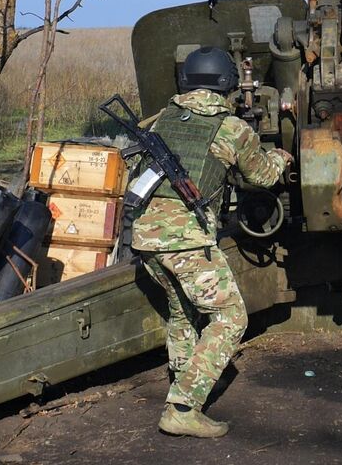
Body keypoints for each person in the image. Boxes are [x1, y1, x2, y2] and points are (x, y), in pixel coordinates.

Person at [130, 45, 291, 438]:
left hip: (145, 237)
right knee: (231, 318)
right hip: (185, 240)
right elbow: (261, 177)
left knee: (183, 312)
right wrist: (281, 158)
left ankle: (185, 382)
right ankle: (183, 406)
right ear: (228, 83)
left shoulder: (162, 118)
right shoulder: (232, 127)